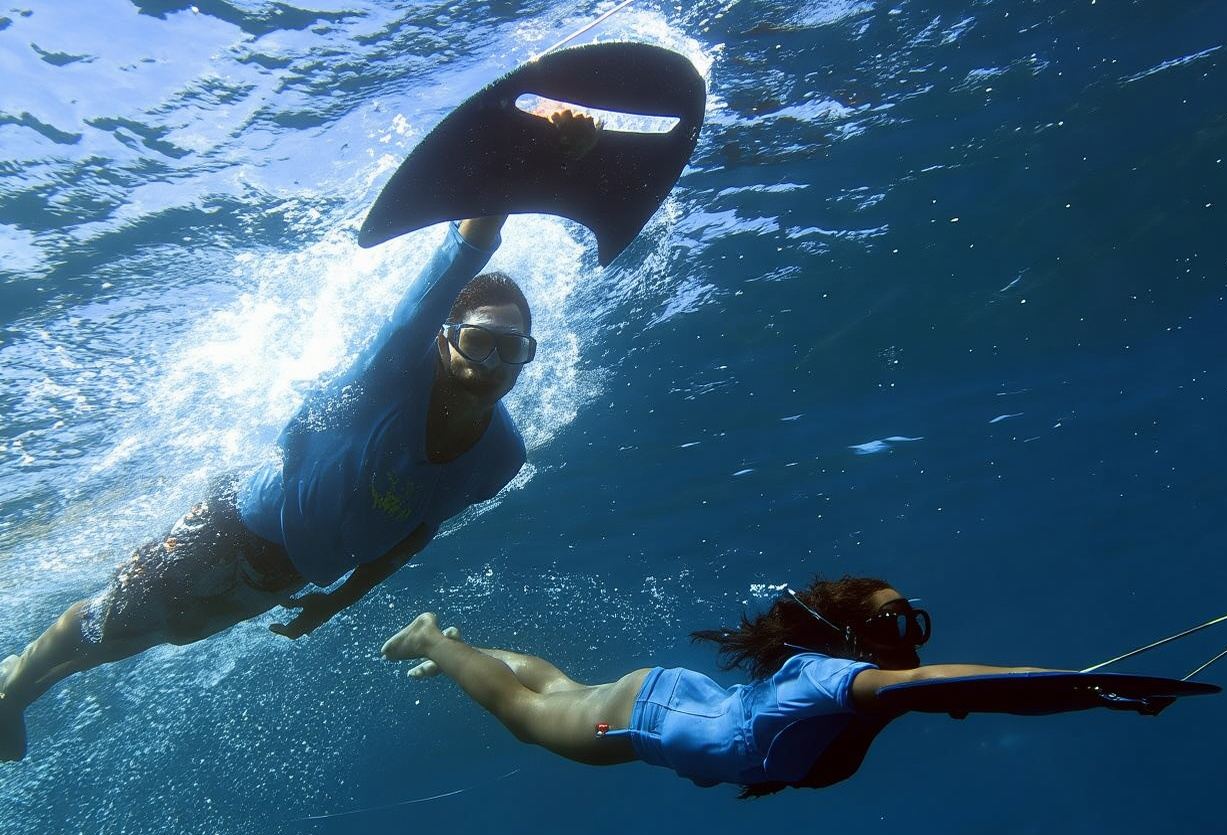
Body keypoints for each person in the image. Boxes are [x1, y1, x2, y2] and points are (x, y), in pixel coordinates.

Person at [0, 112, 601, 763]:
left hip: (288, 574)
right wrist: (532, 153)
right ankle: (15, 684)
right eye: (477, 341)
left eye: (510, 349)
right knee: (114, 613)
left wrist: (334, 602)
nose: (489, 363)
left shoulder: (501, 456)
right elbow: (467, 247)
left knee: (158, 634)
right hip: (237, 520)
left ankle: (21, 682)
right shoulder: (395, 365)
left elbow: (415, 532)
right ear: (444, 338)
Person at [380, 576, 1058, 796]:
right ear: (850, 632)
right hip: (640, 719)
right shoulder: (828, 679)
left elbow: (942, 687)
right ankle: (433, 639)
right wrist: (1077, 687)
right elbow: (953, 681)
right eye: (890, 619)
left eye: (909, 618)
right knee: (525, 710)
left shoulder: (861, 689)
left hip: (669, 699)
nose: (906, 630)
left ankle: (461, 650)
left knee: (559, 685)